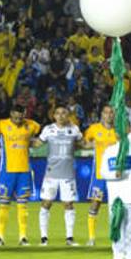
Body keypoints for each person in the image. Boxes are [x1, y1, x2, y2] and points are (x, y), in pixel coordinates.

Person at [0, 104, 40, 246]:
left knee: (23, 205)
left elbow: (38, 136)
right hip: (7, 171)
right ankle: (0, 236)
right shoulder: (1, 125)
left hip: (24, 171)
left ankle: (23, 237)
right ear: (11, 113)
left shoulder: (31, 125)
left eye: (21, 116)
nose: (18, 119)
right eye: (16, 116)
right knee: (4, 204)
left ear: (24, 114)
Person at [37, 105, 83, 247]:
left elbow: (82, 144)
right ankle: (44, 237)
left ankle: (69, 237)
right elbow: (38, 143)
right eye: (58, 113)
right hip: (51, 174)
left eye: (64, 113)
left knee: (68, 204)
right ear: (54, 115)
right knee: (46, 203)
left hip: (68, 174)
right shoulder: (48, 130)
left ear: (68, 115)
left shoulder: (74, 129)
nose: (61, 116)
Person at [102, 126, 131, 259]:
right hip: (114, 196)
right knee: (116, 228)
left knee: (130, 230)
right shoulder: (109, 151)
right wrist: (115, 175)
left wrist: (130, 134)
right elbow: (103, 172)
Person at [83, 104, 119, 246]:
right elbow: (84, 143)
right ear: (102, 115)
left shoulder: (119, 130)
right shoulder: (94, 129)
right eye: (106, 112)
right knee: (95, 204)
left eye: (111, 113)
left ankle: (115, 236)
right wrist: (88, 145)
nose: (109, 115)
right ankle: (91, 237)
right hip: (99, 174)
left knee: (116, 206)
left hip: (116, 175)